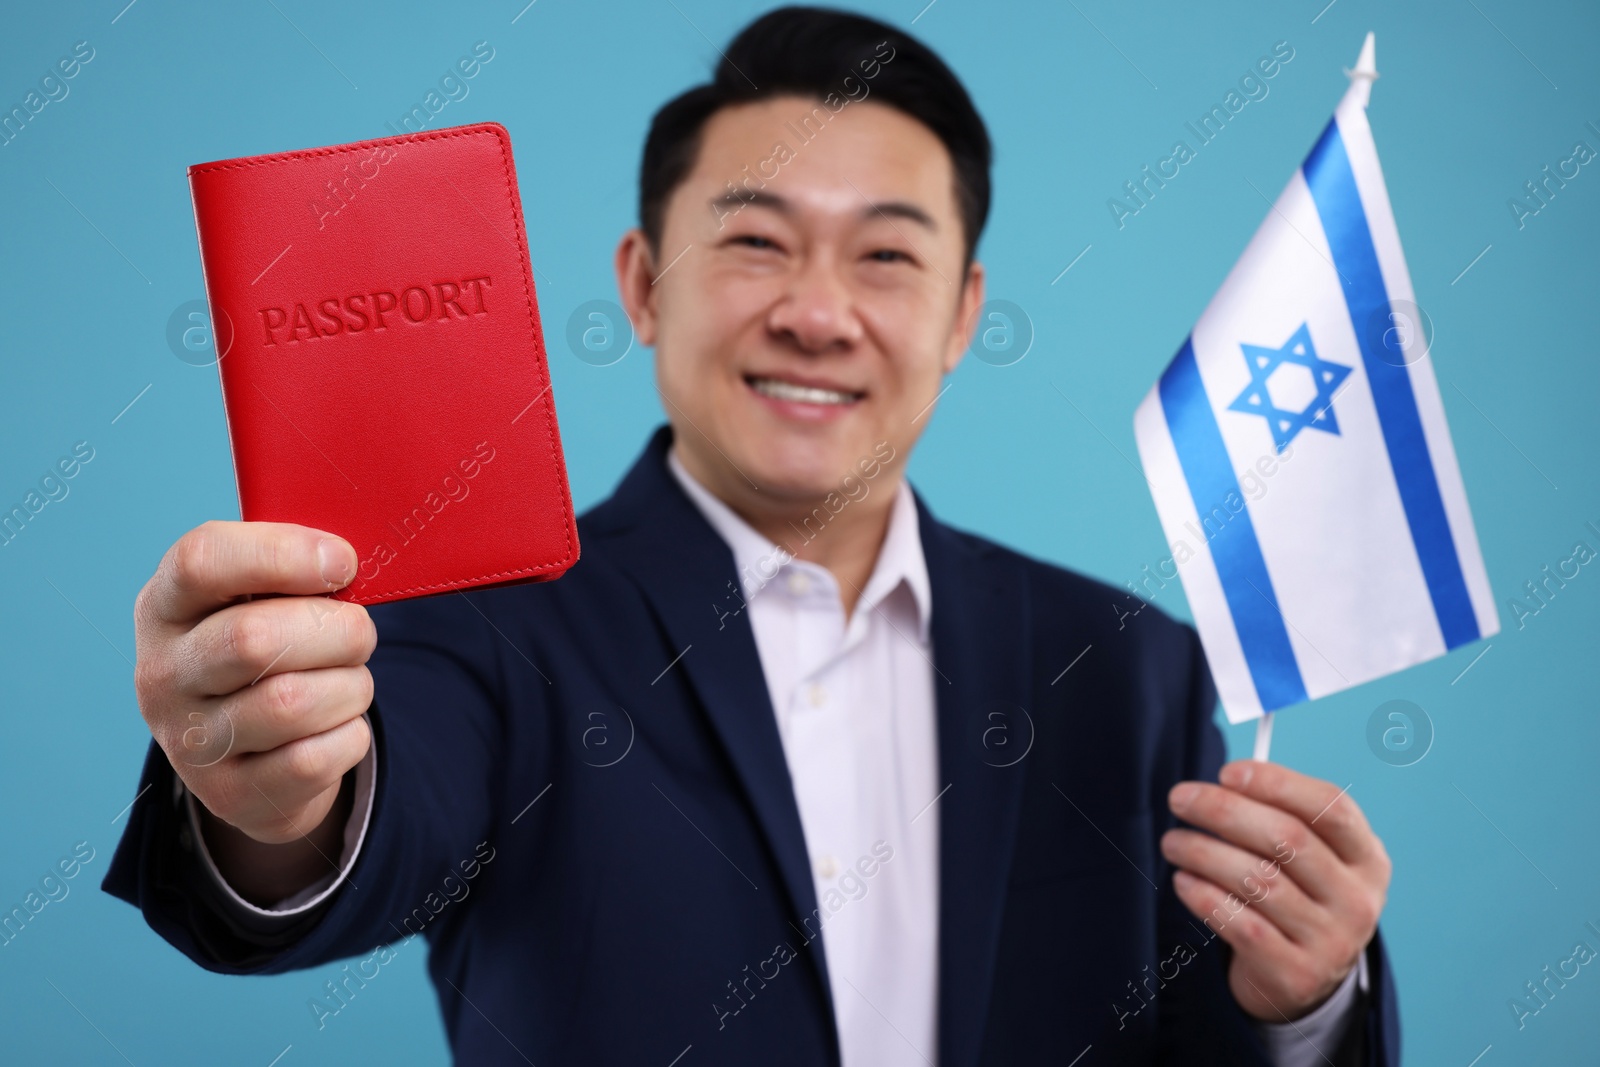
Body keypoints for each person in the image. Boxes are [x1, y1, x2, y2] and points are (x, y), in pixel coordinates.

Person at [105, 7, 1398, 1065]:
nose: (817, 313)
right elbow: (363, 823)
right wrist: (266, 800)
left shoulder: (1126, 667)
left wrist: (1305, 1006)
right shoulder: (493, 619)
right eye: (755, 243)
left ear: (962, 318)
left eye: (887, 259)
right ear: (640, 287)